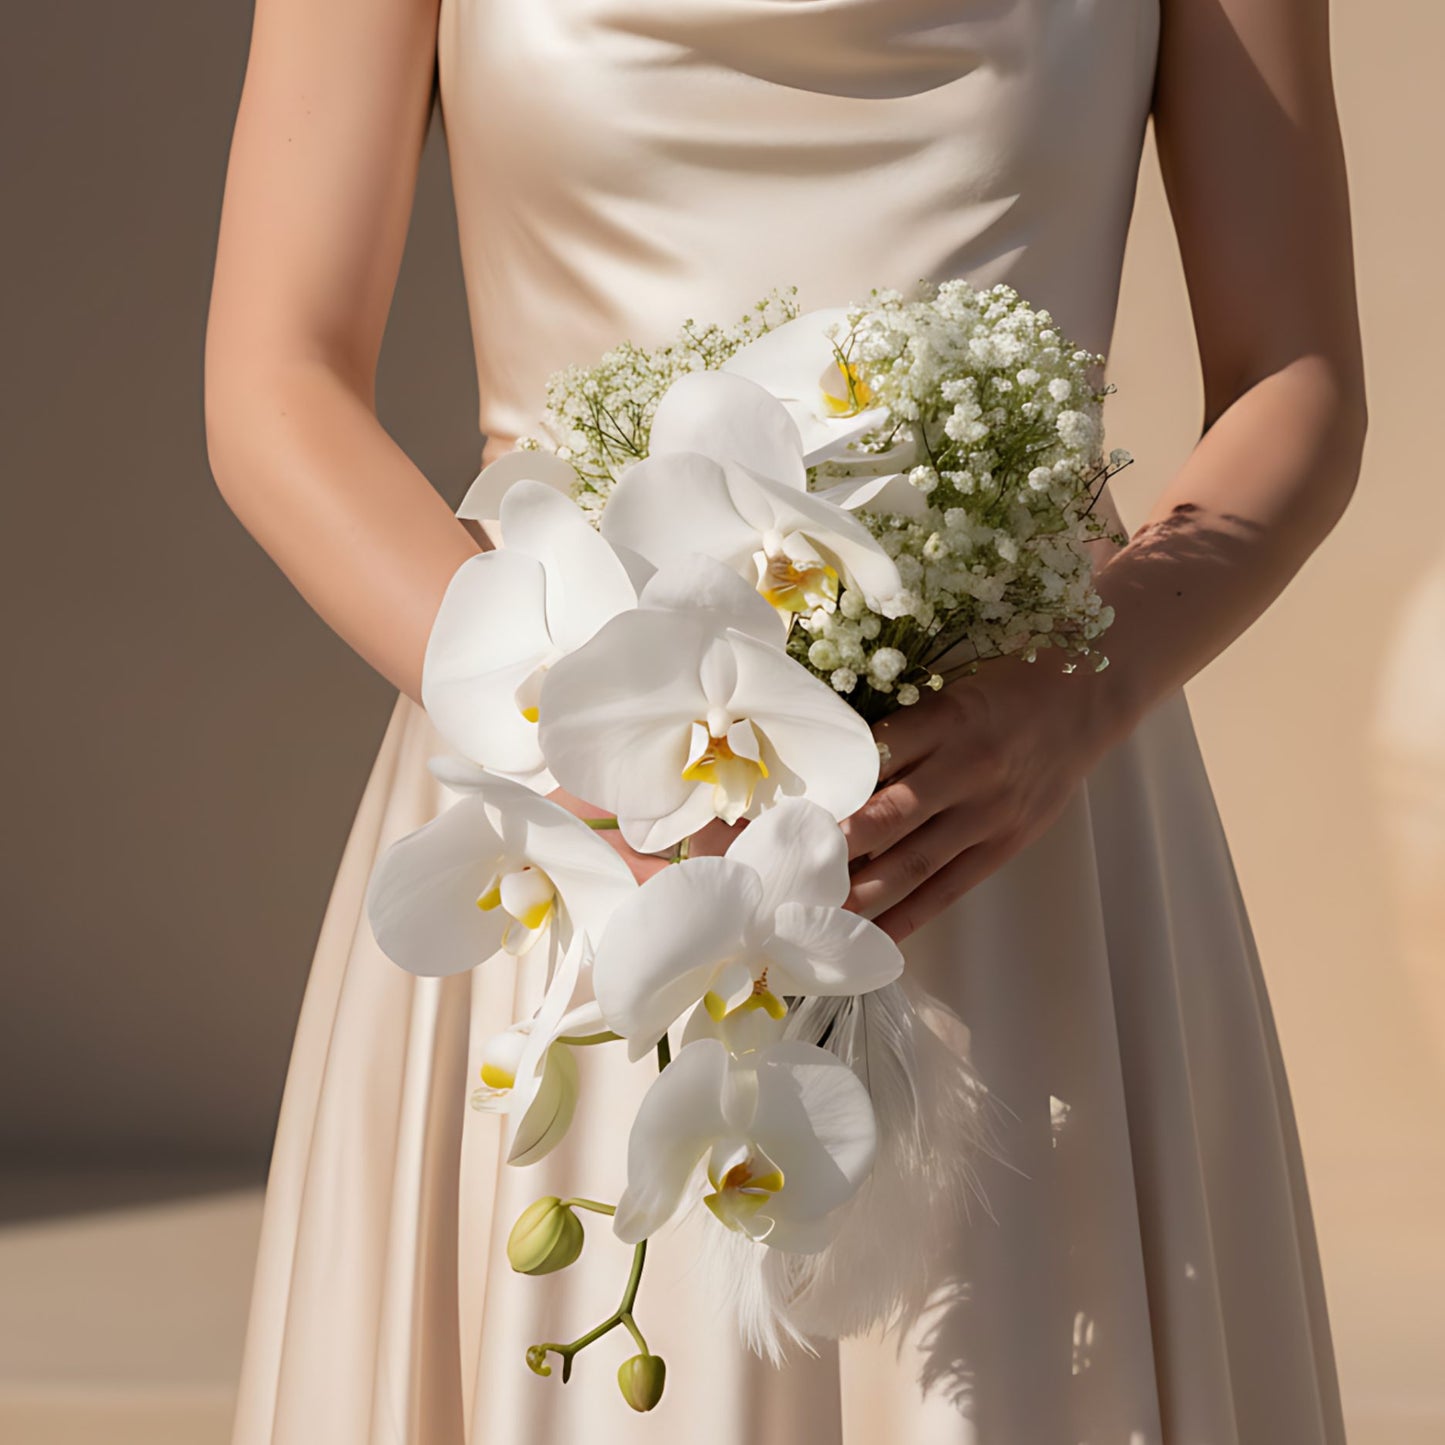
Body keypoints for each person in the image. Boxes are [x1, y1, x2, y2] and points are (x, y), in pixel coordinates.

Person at [205, 1, 1364, 1440]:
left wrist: (1079, 692)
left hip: (1001, 816)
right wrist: (553, 729)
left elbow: (1293, 370)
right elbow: (276, 378)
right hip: (572, 798)